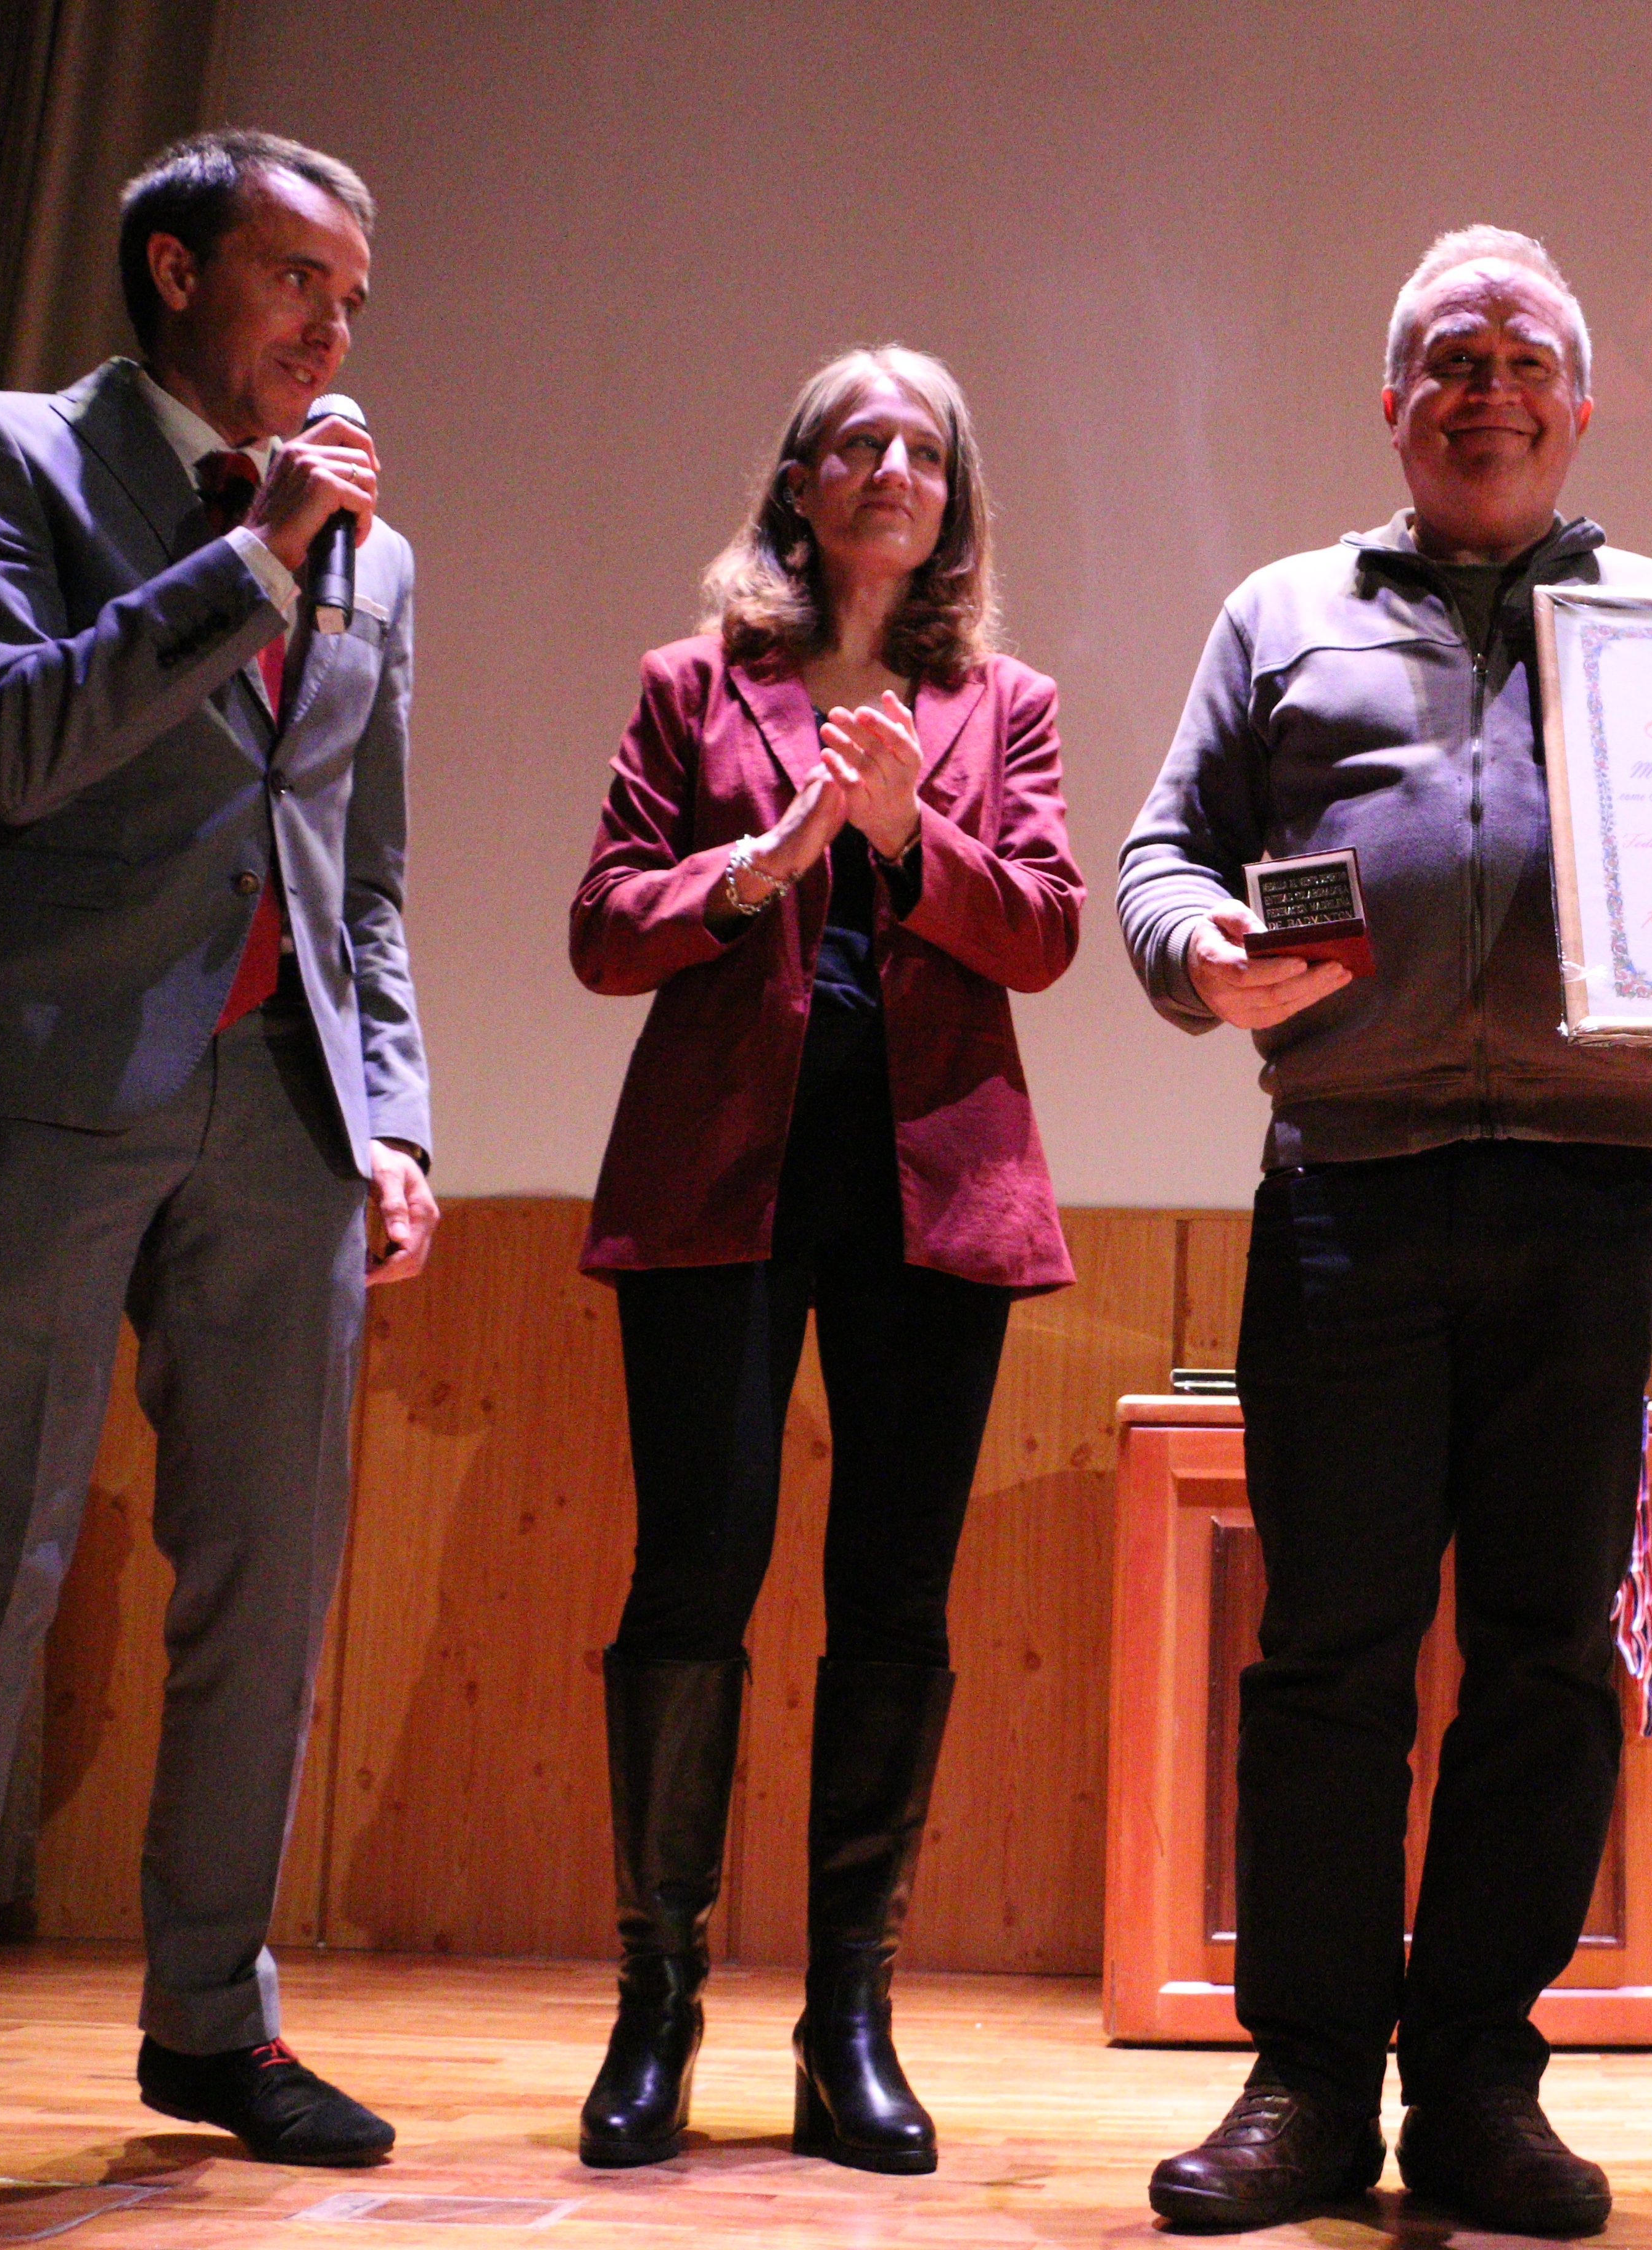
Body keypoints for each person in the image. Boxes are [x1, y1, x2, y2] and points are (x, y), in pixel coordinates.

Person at [1118, 225, 1652, 2237]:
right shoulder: (1283, 611)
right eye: (1451, 358)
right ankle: (1301, 2086)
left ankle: (1477, 2083)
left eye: (1527, 356)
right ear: (1395, 403)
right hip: (1346, 1191)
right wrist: (1191, 947)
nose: (1490, 388)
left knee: (1546, 1660)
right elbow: (1157, 854)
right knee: (1328, 1660)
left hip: (1588, 1190)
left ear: (1583, 402)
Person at [0, 130, 437, 2250]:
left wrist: (402, 1115)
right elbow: (5, 743)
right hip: (59, 1090)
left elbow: (362, 864)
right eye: (296, 283)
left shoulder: (377, 546)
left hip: (284, 1111)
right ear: (172, 270)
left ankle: (210, 2017)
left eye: (354, 297)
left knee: (266, 1577)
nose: (334, 332)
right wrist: (246, 562)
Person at [564, 346, 1080, 2178]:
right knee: (693, 1575)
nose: (888, 467)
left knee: (898, 1593)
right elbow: (604, 929)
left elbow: (1043, 936)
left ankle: (848, 2021)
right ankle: (657, 2011)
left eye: (922, 448)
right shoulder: (692, 686)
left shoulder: (999, 703)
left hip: (926, 1189)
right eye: (855, 442)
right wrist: (762, 863)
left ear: (953, 498)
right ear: (798, 481)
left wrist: (900, 834)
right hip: (726, 1177)